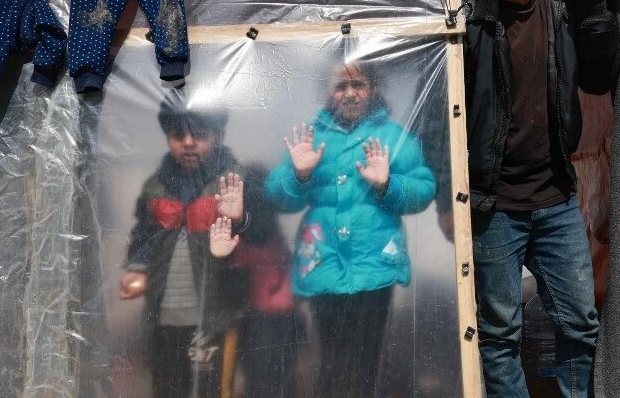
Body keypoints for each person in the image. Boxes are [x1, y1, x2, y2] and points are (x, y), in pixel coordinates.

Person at [457, 0, 620, 397]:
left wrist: (592, 3)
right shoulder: (466, 22)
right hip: (493, 206)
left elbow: (599, 80)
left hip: (555, 200)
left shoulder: (559, 14)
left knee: (580, 325)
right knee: (499, 337)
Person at [265, 59, 437, 398]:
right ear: (327, 92)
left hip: (374, 265)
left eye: (358, 84)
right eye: (340, 86)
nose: (350, 93)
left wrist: (389, 184)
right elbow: (276, 196)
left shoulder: (391, 137)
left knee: (365, 357)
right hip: (324, 263)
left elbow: (423, 190)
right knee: (330, 357)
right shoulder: (311, 137)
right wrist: (299, 175)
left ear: (372, 88)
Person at [118, 89, 269, 398]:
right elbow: (143, 235)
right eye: (177, 135)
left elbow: (263, 233)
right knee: (167, 387)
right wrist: (136, 268)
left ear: (218, 134)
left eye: (199, 134)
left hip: (216, 314)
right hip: (164, 313)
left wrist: (240, 220)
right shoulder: (156, 184)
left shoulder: (236, 180)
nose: (188, 142)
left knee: (213, 390)